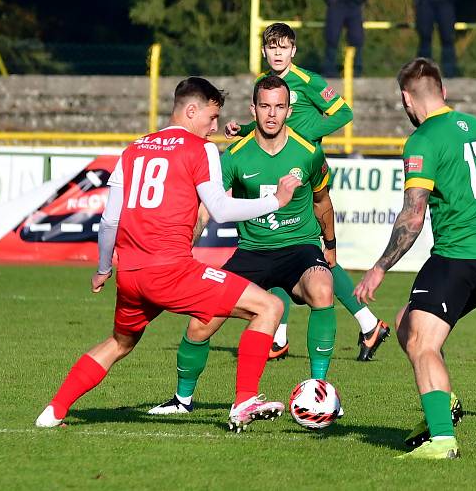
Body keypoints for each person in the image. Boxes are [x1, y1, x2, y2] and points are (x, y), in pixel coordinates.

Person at [35, 77, 300, 432]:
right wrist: (276, 201)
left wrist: (102, 268)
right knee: (270, 307)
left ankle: (53, 410)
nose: (215, 127)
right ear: (191, 111)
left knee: (118, 343)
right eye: (212, 116)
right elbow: (219, 209)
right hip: (172, 271)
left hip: (131, 274)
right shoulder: (199, 148)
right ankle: (244, 400)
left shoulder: (135, 148)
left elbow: (110, 220)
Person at [354, 58, 476, 460]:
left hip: (457, 257)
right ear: (444, 92)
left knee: (422, 341)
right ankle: (444, 402)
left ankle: (442, 440)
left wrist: (380, 267)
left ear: (405, 98)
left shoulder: (423, 140)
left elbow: (412, 216)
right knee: (405, 323)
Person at [149, 76, 340, 417]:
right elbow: (208, 207)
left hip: (299, 247)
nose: (271, 114)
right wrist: (184, 249)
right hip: (251, 250)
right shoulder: (234, 155)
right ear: (253, 109)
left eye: (279, 107)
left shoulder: (309, 151)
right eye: (264, 106)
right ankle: (181, 401)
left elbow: (322, 201)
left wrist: (331, 246)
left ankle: (318, 391)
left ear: (288, 110)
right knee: (202, 322)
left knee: (323, 290)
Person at [226, 23, 390, 364]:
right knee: (277, 244)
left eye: (283, 48)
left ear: (293, 51)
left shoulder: (308, 80)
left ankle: (290, 335)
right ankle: (359, 324)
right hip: (274, 164)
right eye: (272, 48)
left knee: (297, 247)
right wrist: (240, 130)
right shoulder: (262, 84)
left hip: (303, 168)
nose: (277, 53)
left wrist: (302, 132)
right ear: (264, 51)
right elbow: (263, 125)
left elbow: (344, 112)